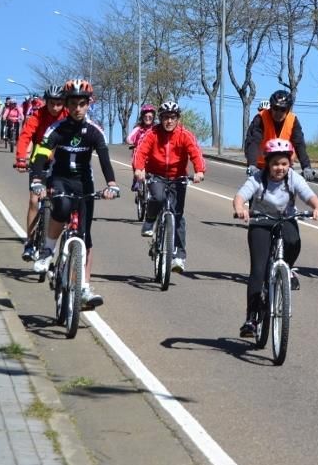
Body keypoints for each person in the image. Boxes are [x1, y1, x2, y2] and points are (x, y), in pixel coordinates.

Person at [28, 79, 119, 309]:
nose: (78, 108)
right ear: (66, 105)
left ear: (89, 104)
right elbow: (41, 154)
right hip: (60, 179)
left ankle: (85, 288)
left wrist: (112, 184)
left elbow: (105, 160)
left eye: (82, 103)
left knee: (86, 236)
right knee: (61, 208)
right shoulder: (57, 129)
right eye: (73, 104)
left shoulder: (94, 131)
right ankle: (47, 250)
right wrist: (38, 180)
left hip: (83, 183)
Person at [233, 139, 318, 336]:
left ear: (289, 164)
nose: (279, 168)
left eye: (284, 163)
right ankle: (251, 318)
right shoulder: (258, 178)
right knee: (258, 270)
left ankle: (287, 269)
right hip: (261, 222)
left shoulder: (293, 178)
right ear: (267, 163)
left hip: (285, 219)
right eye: (275, 164)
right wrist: (240, 209)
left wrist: (317, 207)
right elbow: (240, 196)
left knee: (294, 241)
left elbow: (308, 195)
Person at [133, 101, 207, 273]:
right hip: (156, 175)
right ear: (161, 119)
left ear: (177, 119)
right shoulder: (152, 133)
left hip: (178, 177)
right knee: (157, 198)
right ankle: (150, 221)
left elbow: (195, 153)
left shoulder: (184, 134)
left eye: (172, 118)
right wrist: (139, 169)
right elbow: (141, 151)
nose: (169, 121)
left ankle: (179, 256)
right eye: (165, 118)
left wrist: (200, 171)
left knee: (178, 216)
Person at [16, 85, 68, 260]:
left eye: (59, 104)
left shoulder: (68, 117)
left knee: (60, 201)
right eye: (52, 103)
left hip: (61, 163)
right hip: (39, 162)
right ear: (46, 102)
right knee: (34, 199)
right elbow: (24, 138)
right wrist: (21, 159)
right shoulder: (37, 116)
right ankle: (30, 242)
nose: (55, 107)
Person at [243, 89, 315, 181]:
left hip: (282, 168)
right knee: (252, 190)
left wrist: (306, 167)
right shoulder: (261, 118)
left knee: (295, 190)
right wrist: (252, 165)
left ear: (288, 110)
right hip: (261, 167)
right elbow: (254, 142)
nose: (278, 113)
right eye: (275, 108)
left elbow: (299, 144)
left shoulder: (293, 120)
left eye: (282, 109)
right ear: (271, 107)